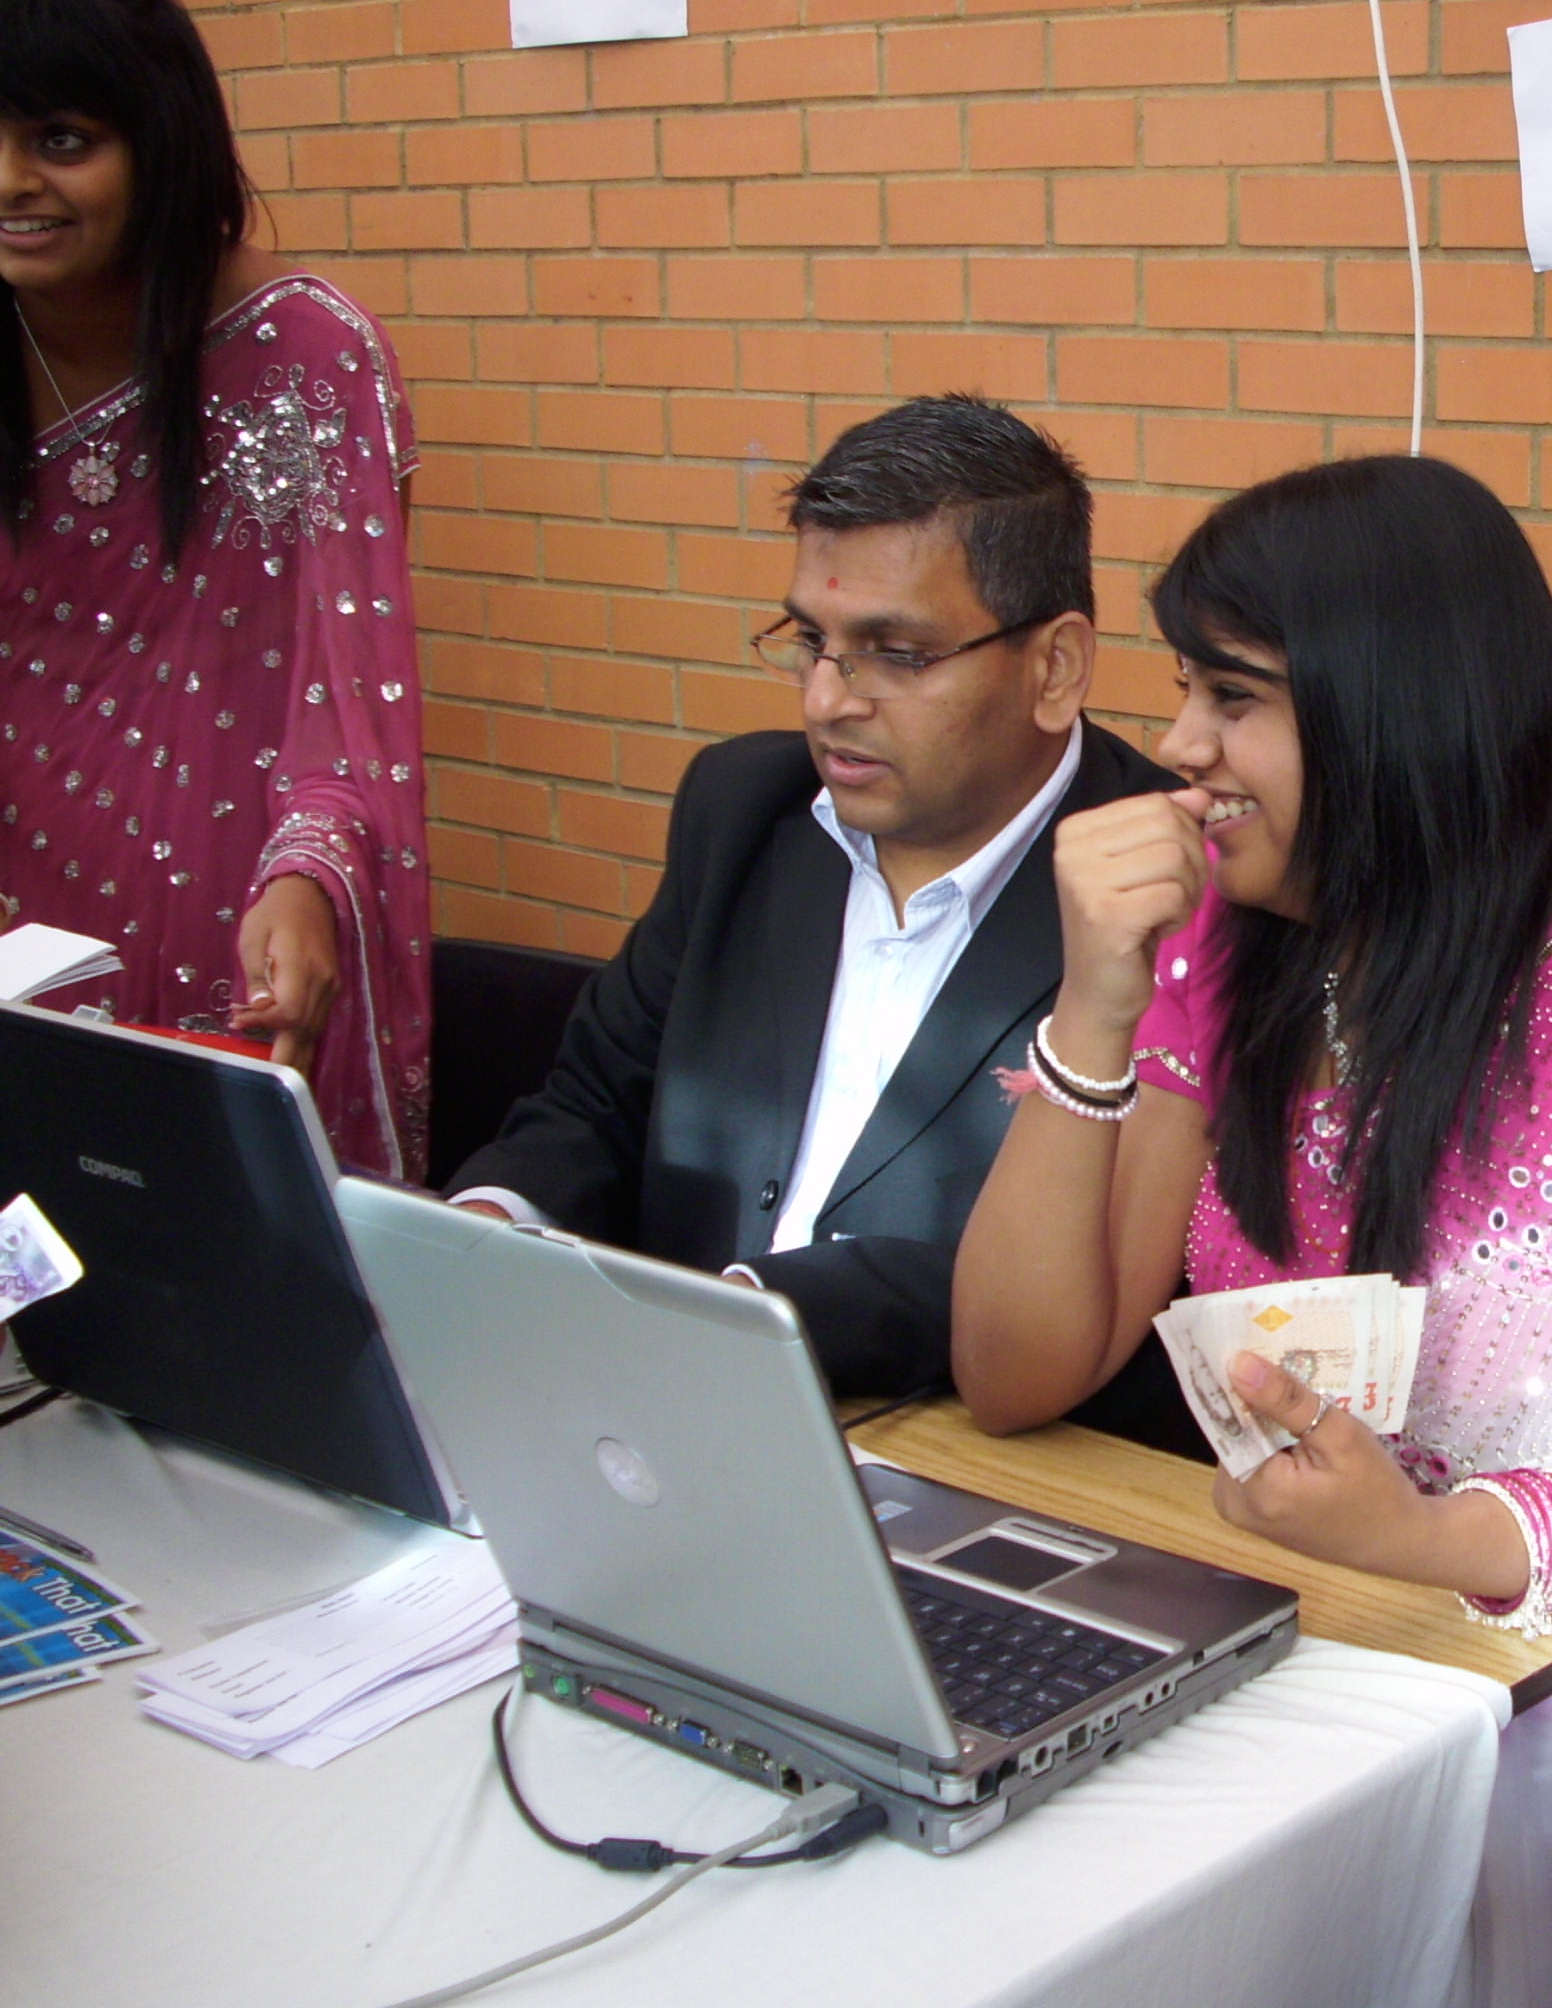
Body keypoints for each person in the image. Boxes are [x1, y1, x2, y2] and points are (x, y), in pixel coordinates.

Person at [949, 453, 1552, 2008]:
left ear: (1397, 707)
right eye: (1183, 692)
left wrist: (1420, 1543)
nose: (1178, 752)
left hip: (1546, 1704)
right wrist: (1094, 998)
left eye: (1233, 701)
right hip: (1302, 1645)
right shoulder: (1228, 935)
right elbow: (1018, 1368)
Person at [446, 395, 1194, 1421]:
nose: (827, 699)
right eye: (812, 639)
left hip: (946, 1459)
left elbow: (1134, 1281)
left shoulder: (1160, 889)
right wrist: (481, 1227)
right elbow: (592, 1108)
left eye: (895, 652)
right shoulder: (742, 812)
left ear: (1054, 666)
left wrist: (770, 1308)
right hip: (646, 1420)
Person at [2, 0, 430, 1175]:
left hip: (232, 899)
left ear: (160, 145)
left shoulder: (300, 354)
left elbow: (349, 694)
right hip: (21, 905)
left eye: (62, 141)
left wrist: (306, 879)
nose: (13, 182)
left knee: (217, 1269)